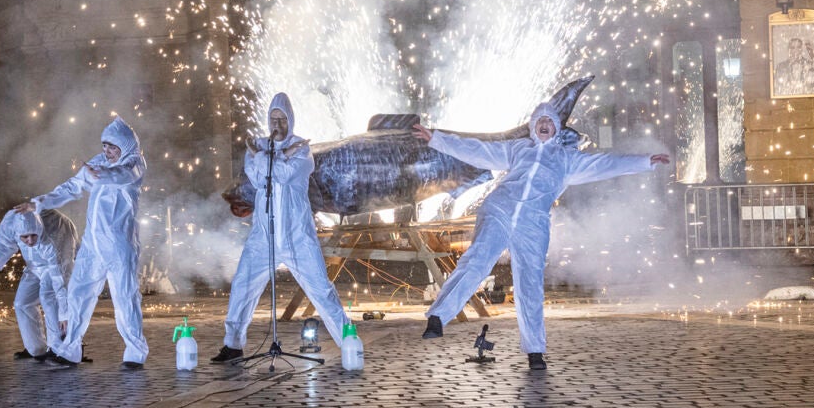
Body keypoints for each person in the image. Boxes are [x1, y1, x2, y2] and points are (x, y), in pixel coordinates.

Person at [413, 100, 670, 369]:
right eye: (540, 121)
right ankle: (438, 317)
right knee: (476, 261)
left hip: (532, 224)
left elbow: (605, 163)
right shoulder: (518, 149)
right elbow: (480, 150)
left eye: (549, 121)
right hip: (499, 210)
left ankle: (535, 350)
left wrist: (644, 161)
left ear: (556, 128)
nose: (544, 124)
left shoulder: (567, 159)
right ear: (534, 127)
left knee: (530, 284)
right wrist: (438, 140)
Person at [214, 92, 351, 363]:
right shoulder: (258, 148)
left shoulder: (302, 149)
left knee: (321, 290)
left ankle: (349, 343)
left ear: (290, 120)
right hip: (264, 235)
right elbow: (257, 178)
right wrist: (276, 155)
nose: (277, 124)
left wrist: (268, 156)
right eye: (273, 118)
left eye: (282, 119)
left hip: (297, 235)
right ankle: (232, 343)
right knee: (243, 284)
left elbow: (286, 175)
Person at [17, 117, 148, 369]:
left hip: (121, 245)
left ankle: (135, 350)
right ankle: (69, 349)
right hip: (93, 244)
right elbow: (71, 187)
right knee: (78, 293)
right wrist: (38, 203)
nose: (107, 151)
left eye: (112, 147)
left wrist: (101, 173)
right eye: (104, 146)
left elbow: (122, 175)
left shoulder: (135, 163)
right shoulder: (98, 164)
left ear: (125, 147)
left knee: (125, 297)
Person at [0, 208, 78, 362]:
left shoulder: (52, 239)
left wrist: (65, 314)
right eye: (24, 237)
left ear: (39, 230)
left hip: (55, 264)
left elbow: (60, 282)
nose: (29, 240)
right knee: (22, 303)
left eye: (33, 235)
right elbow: (5, 243)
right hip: (33, 267)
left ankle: (59, 348)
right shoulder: (10, 222)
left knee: (48, 298)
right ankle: (36, 349)